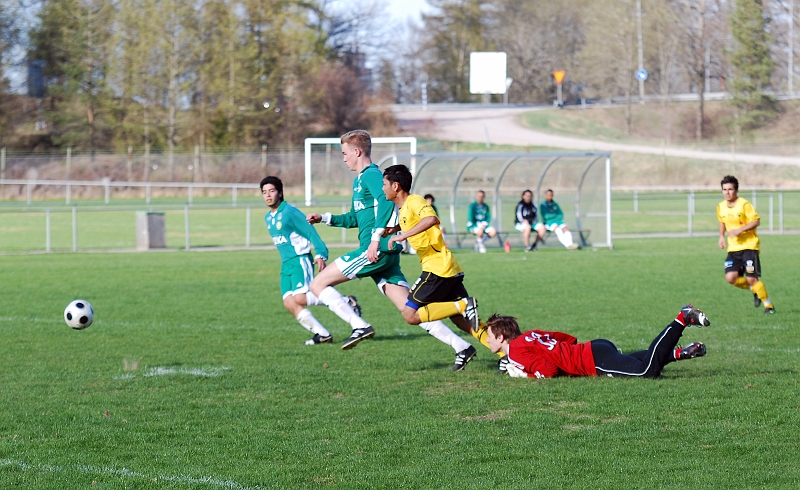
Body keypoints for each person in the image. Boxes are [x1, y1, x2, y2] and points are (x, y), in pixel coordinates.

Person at [306, 131, 479, 370]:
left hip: (373, 251)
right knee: (411, 310)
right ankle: (462, 347)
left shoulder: (372, 175)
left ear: (357, 151)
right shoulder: (359, 180)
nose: (343, 158)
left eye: (344, 153)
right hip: (382, 253)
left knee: (317, 284)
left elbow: (387, 203)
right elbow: (355, 218)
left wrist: (375, 239)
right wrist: (324, 218)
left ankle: (359, 325)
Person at [382, 165, 481, 369]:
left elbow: (431, 219)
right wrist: (395, 228)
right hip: (446, 267)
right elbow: (413, 221)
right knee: (463, 321)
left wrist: (403, 235)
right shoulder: (403, 209)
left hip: (437, 268)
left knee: (410, 314)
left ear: (395, 186)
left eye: (384, 184)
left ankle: (464, 304)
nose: (383, 188)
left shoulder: (414, 201)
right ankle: (506, 350)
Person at [484, 304, 710, 379]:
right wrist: (565, 354)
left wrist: (526, 375)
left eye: (490, 336)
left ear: (501, 338)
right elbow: (567, 338)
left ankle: (682, 319)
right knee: (630, 362)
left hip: (592, 361)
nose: (487, 340)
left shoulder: (515, 353)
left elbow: (549, 371)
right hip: (596, 346)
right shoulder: (529, 335)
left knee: (646, 372)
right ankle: (677, 353)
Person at [261, 176, 353, 345]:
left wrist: (321, 253)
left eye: (271, 191)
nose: (267, 195)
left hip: (300, 260)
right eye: (264, 192)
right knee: (289, 303)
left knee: (301, 298)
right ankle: (322, 334)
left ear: (280, 193)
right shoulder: (268, 217)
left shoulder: (290, 212)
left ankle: (346, 301)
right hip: (286, 265)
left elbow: (310, 233)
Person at [717, 175, 775, 314]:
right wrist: (721, 236)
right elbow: (722, 221)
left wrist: (740, 230)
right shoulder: (720, 206)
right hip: (733, 248)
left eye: (730, 189)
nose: (727, 192)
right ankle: (754, 290)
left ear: (736, 190)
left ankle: (769, 306)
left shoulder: (744, 205)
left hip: (749, 247)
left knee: (751, 278)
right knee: (730, 278)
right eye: (724, 189)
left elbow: (756, 221)